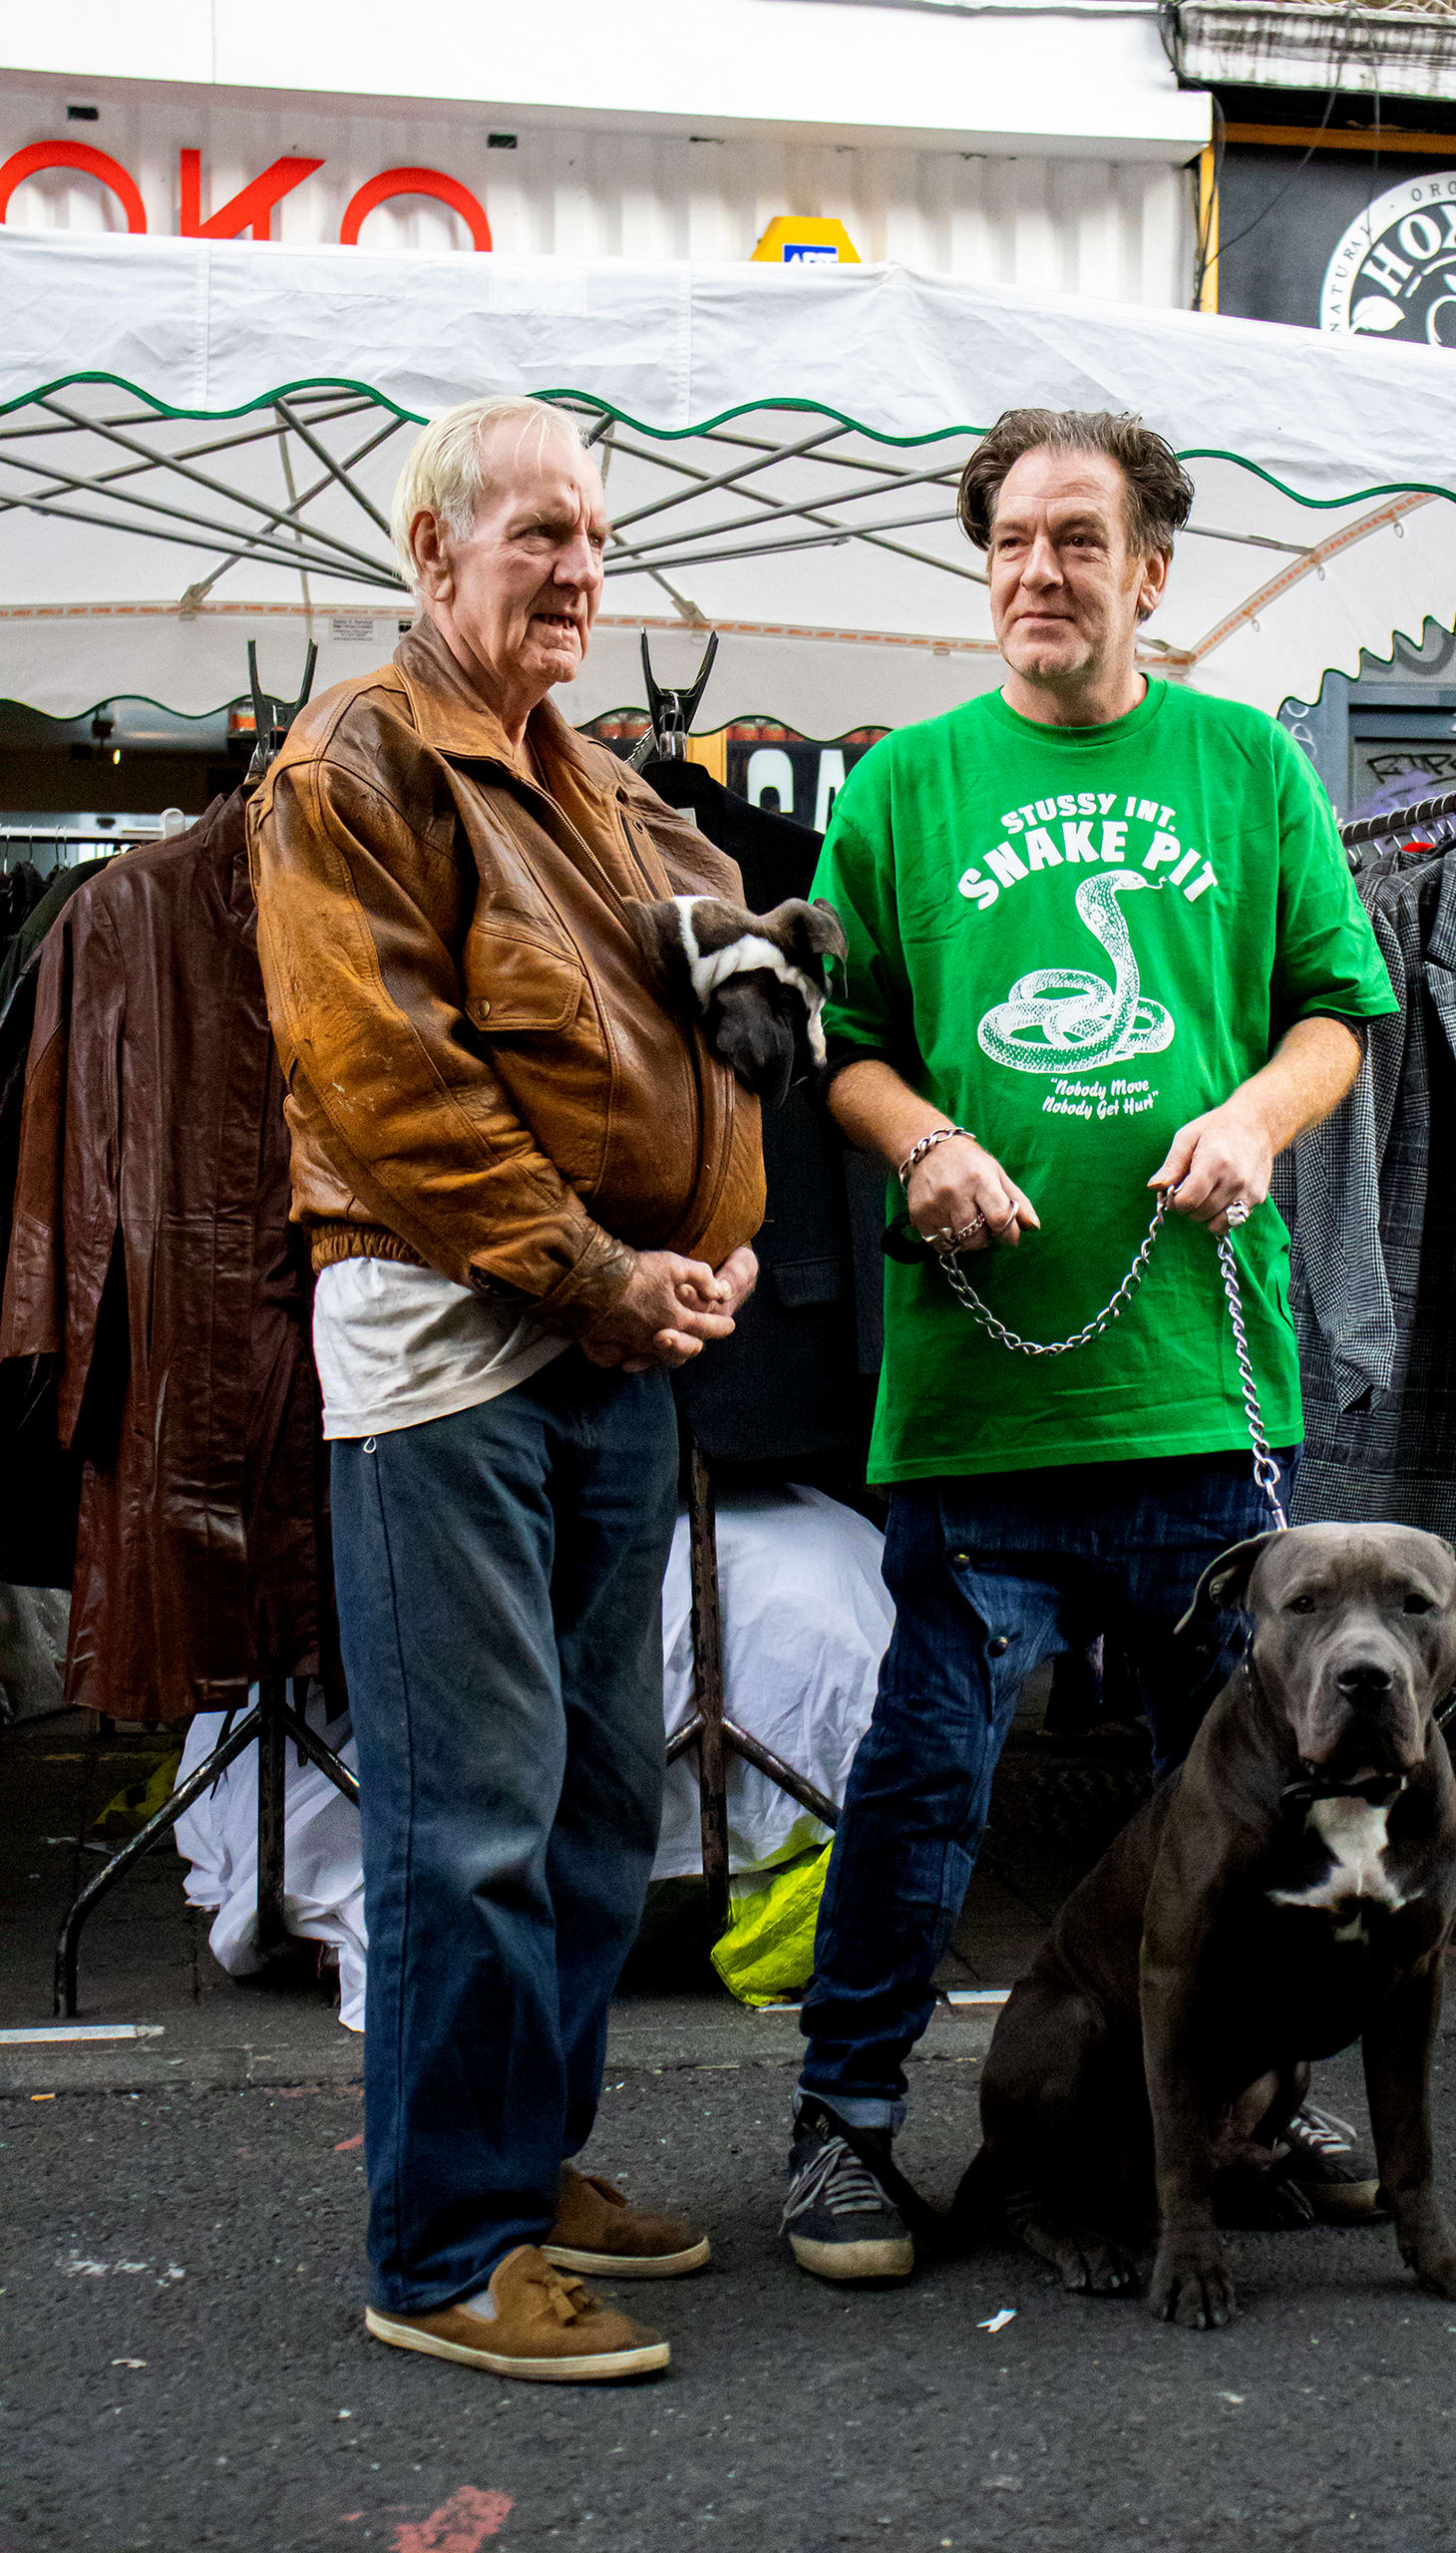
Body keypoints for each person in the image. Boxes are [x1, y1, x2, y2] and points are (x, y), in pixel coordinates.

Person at [781, 407, 1399, 2283]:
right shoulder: (899, 789)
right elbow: (841, 1043)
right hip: (978, 1405)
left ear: (1147, 572)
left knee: (1243, 1788)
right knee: (929, 1775)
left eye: (1075, 540)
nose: (1035, 573)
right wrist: (930, 1143)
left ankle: (1247, 2104)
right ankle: (847, 2126)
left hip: (1201, 1392)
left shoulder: (1246, 771)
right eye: (1008, 544)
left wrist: (1255, 1125)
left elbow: (1333, 1012)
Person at [251, 396, 763, 2380]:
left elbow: (724, 1002)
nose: (574, 571)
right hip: (454, 1348)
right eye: (538, 531)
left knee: (589, 1803)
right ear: (427, 545)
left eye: (595, 540)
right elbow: (390, 1091)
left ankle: (530, 2166)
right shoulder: (354, 762)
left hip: (610, 1345)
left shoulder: (608, 787)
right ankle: (445, 2249)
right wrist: (597, 1273)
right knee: (467, 1812)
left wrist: (715, 1240)